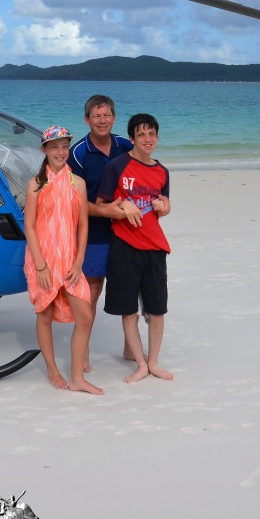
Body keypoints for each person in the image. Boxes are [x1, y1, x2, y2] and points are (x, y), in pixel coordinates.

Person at [23, 125, 103, 395]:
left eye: (65, 146)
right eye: (55, 147)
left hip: (69, 259)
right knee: (44, 314)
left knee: (85, 315)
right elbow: (29, 225)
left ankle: (77, 377)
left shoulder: (77, 183)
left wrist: (79, 261)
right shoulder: (36, 184)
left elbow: (83, 225)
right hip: (43, 259)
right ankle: (52, 371)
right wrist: (41, 266)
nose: (60, 152)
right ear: (44, 149)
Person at [67, 94, 143, 369]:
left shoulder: (126, 146)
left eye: (107, 115)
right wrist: (106, 211)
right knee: (93, 289)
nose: (102, 121)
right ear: (87, 120)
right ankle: (83, 350)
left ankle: (131, 347)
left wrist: (160, 201)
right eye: (96, 116)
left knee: (130, 287)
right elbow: (73, 202)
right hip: (94, 232)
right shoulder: (77, 153)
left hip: (127, 230)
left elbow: (143, 181)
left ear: (114, 117)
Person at [98, 113, 174, 384]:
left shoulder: (162, 171)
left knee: (157, 309)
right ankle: (140, 364)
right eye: (141, 134)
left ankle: (153, 362)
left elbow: (163, 206)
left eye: (151, 134)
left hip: (155, 247)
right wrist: (122, 205)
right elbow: (101, 205)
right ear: (131, 138)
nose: (147, 139)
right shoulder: (116, 166)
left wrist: (165, 207)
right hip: (125, 246)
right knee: (128, 309)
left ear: (157, 137)